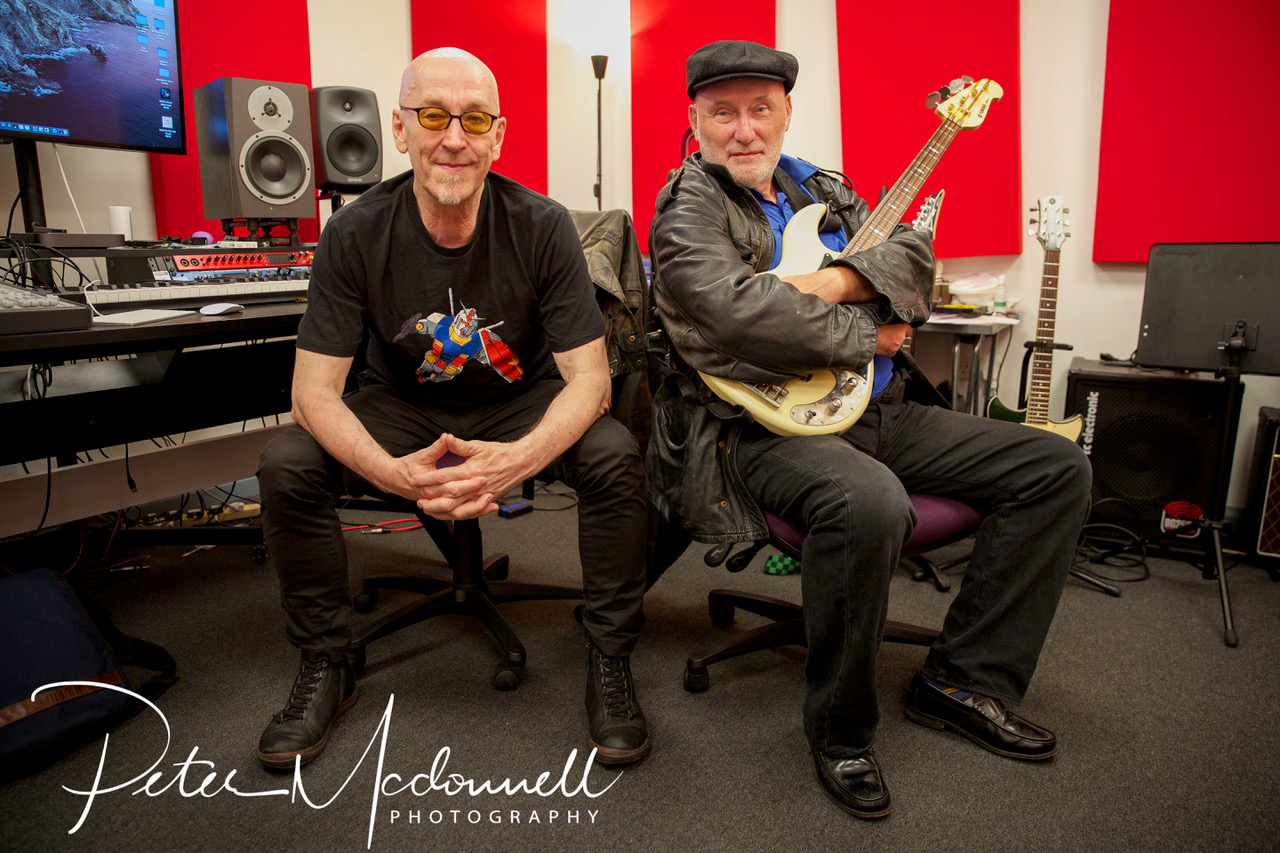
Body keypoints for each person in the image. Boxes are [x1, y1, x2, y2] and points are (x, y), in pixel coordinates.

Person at [646, 40, 1091, 819]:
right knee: (870, 504)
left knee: (1056, 465)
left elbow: (914, 263)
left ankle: (962, 679)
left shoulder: (824, 186)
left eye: (760, 109)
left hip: (878, 408)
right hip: (760, 427)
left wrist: (828, 281)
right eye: (723, 113)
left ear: (786, 112)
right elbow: (731, 315)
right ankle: (841, 731)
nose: (744, 129)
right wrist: (865, 330)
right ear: (696, 119)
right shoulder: (688, 206)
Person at [254, 47, 650, 770]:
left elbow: (590, 381)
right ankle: (326, 660)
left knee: (613, 452)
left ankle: (610, 657)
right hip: (402, 402)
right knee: (287, 460)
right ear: (400, 129)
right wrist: (394, 475)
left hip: (518, 400)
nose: (454, 138)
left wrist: (515, 462)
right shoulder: (353, 232)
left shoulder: (544, 226)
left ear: (499, 135)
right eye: (433, 116)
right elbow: (311, 393)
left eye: (474, 120)